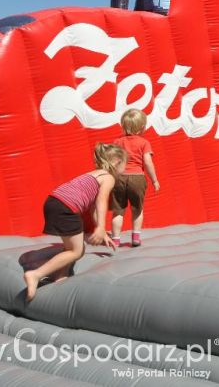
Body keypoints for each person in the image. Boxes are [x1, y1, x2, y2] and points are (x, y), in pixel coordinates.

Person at [23, 143, 126, 301]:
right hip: (66, 207)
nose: (124, 171)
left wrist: (102, 232)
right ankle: (36, 274)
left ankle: (60, 276)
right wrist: (100, 227)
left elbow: (92, 209)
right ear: (117, 162)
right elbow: (101, 201)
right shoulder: (108, 177)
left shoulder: (93, 174)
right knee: (77, 251)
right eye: (124, 165)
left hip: (53, 202)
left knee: (70, 247)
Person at [111, 108, 159, 247]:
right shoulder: (144, 143)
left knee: (118, 211)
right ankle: (136, 237)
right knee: (137, 209)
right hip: (137, 178)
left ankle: (115, 239)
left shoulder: (117, 142)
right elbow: (148, 163)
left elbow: (113, 162)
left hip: (119, 178)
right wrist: (154, 180)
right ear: (142, 127)